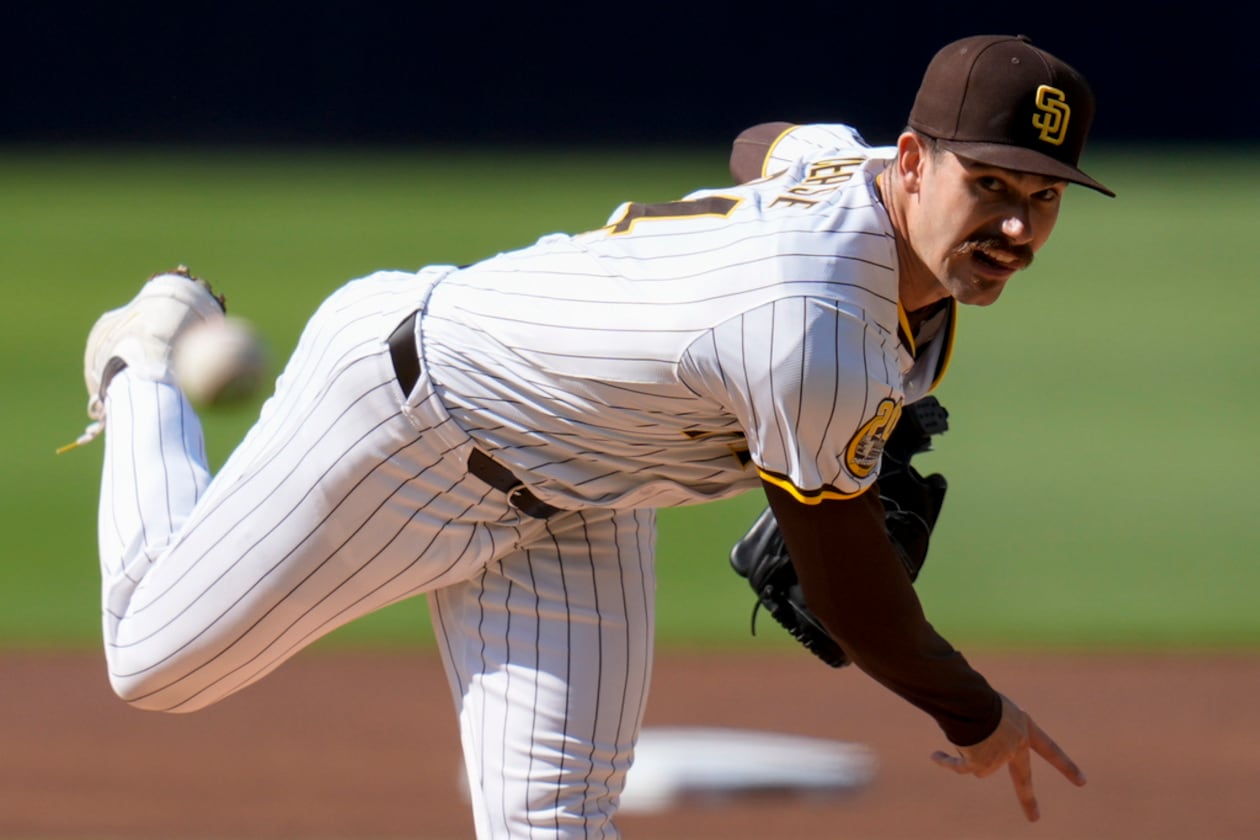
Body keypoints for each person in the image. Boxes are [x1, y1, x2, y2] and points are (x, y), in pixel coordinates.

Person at [67, 33, 1110, 838]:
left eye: (1043, 196)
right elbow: (849, 594)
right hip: (408, 421)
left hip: (590, 497)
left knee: (553, 826)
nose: (1017, 228)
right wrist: (975, 713)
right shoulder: (816, 329)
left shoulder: (857, 166)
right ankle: (143, 357)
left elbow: (767, 145)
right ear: (919, 161)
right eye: (991, 188)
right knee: (156, 667)